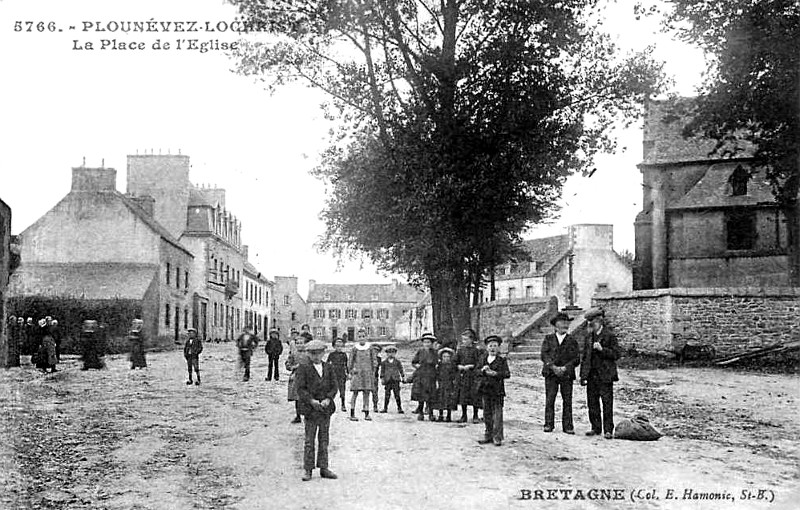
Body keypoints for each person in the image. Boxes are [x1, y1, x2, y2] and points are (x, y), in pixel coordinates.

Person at [295, 339, 339, 482]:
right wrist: (311, 401)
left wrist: (328, 399)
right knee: (309, 440)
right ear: (308, 353)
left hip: (325, 410)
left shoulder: (329, 367)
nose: (316, 356)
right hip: (310, 410)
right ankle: (308, 469)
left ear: (324, 353)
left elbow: (334, 386)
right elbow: (300, 388)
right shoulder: (303, 368)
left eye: (319, 353)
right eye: (312, 353)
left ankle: (324, 468)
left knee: (324, 439)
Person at [580, 308, 620, 439]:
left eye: (592, 322)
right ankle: (595, 428)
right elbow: (585, 357)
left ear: (599, 321)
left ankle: (608, 429)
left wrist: (603, 350)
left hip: (605, 375)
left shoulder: (609, 335)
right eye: (589, 322)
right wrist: (583, 375)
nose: (590, 324)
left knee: (607, 403)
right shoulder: (588, 337)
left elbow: (616, 354)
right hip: (592, 375)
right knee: (592, 403)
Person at [541, 313, 580, 434]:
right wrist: (552, 367)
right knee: (550, 399)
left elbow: (576, 358)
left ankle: (568, 426)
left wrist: (565, 368)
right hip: (551, 373)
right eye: (562, 322)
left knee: (567, 400)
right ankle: (548, 424)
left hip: (566, 374)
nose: (565, 324)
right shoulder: (548, 339)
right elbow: (544, 355)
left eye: (566, 322)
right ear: (555, 325)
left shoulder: (572, 340)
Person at [476, 335, 511, 446]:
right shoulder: (482, 359)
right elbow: (476, 372)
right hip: (485, 389)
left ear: (499, 348)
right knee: (487, 413)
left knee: (497, 415)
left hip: (497, 391)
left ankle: (497, 437)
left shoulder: (501, 360)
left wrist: (495, 374)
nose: (492, 348)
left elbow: (507, 374)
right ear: (487, 347)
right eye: (490, 346)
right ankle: (488, 435)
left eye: (495, 346)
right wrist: (482, 371)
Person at [348, 328, 377, 421]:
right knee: (355, 393)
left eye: (363, 336)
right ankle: (352, 413)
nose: (362, 338)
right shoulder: (354, 348)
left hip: (367, 373)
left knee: (366, 393)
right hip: (357, 373)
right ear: (357, 338)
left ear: (366, 337)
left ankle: (366, 412)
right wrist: (351, 370)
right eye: (360, 337)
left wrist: (373, 371)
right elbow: (350, 361)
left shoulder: (370, 348)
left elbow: (374, 360)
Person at [455, 328, 482, 424]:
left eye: (466, 339)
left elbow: (480, 363)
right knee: (463, 396)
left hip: (473, 376)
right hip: (463, 376)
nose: (464, 341)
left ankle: (475, 415)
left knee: (475, 396)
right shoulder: (460, 350)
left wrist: (471, 366)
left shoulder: (476, 351)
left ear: (471, 340)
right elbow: (455, 361)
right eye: (463, 340)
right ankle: (464, 415)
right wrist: (459, 366)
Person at [411, 332, 438, 421]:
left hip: (431, 376)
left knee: (430, 396)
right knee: (421, 395)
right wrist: (416, 366)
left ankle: (431, 413)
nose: (426, 344)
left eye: (428, 342)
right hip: (421, 375)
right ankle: (421, 413)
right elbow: (414, 362)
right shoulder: (420, 351)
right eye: (425, 342)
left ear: (432, 343)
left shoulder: (434, 352)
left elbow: (437, 362)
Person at [286, 333, 309, 423]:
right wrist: (293, 367)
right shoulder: (293, 354)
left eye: (301, 343)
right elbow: (288, 364)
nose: (300, 345)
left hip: (307, 377)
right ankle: (298, 415)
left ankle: (307, 415)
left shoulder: (308, 354)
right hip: (296, 377)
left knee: (306, 396)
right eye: (298, 343)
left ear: (305, 344)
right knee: (297, 397)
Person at [379, 344, 404, 413]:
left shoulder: (397, 362)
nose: (391, 354)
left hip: (395, 380)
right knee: (387, 395)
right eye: (389, 352)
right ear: (386, 353)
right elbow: (382, 371)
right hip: (388, 380)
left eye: (393, 352)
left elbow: (401, 369)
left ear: (395, 353)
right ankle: (385, 408)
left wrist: (403, 376)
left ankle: (399, 408)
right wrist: (382, 378)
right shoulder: (384, 362)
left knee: (397, 395)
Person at [436, 348, 459, 422]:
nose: (446, 358)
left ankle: (448, 415)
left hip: (449, 384)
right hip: (441, 384)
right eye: (444, 357)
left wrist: (454, 382)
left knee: (449, 399)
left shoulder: (453, 366)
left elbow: (455, 375)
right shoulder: (439, 365)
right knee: (440, 399)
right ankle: (441, 415)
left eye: (448, 357)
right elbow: (437, 374)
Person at [327, 336, 349, 412]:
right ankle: (330, 404)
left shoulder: (344, 355)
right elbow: (327, 364)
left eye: (340, 346)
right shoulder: (331, 355)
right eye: (337, 346)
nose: (339, 348)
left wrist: (348, 373)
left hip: (342, 374)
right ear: (334, 346)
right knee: (332, 390)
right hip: (333, 374)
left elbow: (347, 365)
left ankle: (343, 405)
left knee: (342, 390)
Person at [371, 343, 383, 413]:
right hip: (368, 376)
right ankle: (365, 406)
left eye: (377, 351)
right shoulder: (368, 358)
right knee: (365, 391)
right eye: (373, 350)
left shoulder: (379, 359)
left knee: (375, 391)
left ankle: (375, 406)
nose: (375, 352)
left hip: (375, 377)